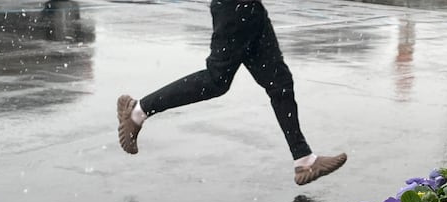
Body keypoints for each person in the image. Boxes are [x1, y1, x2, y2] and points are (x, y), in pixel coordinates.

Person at [116, 0, 347, 185]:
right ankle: (137, 111)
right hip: (236, 9)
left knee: (280, 83)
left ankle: (304, 160)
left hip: (249, 9)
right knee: (216, 80)